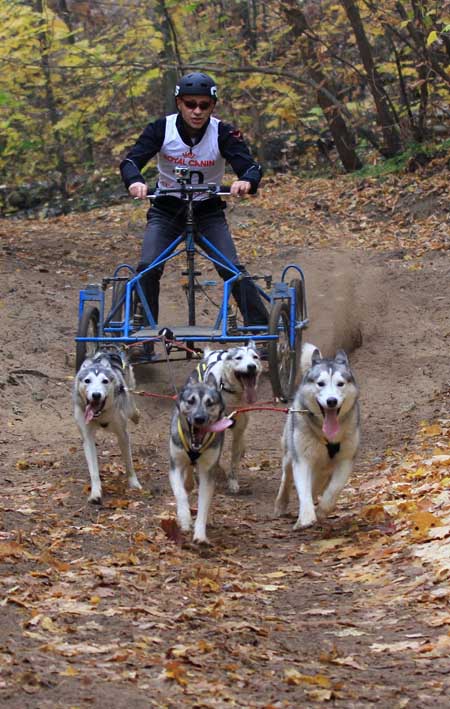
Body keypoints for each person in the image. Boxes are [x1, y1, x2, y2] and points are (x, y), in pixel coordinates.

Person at [119, 72, 268, 355]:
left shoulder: (224, 132)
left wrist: (246, 181)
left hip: (207, 210)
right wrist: (135, 181)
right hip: (167, 209)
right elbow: (130, 160)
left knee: (231, 268)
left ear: (213, 105)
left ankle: (260, 331)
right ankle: (143, 336)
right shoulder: (160, 129)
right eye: (190, 104)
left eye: (204, 105)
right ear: (179, 102)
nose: (197, 111)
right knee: (147, 267)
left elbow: (250, 167)